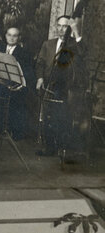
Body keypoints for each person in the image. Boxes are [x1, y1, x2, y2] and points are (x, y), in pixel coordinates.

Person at [35, 16, 85, 157]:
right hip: (49, 84)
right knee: (48, 116)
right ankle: (49, 147)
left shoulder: (74, 44)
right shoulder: (48, 44)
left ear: (69, 28)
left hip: (65, 86)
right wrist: (39, 78)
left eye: (65, 26)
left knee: (63, 116)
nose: (62, 29)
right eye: (59, 26)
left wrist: (76, 31)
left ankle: (62, 148)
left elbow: (83, 52)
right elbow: (40, 63)